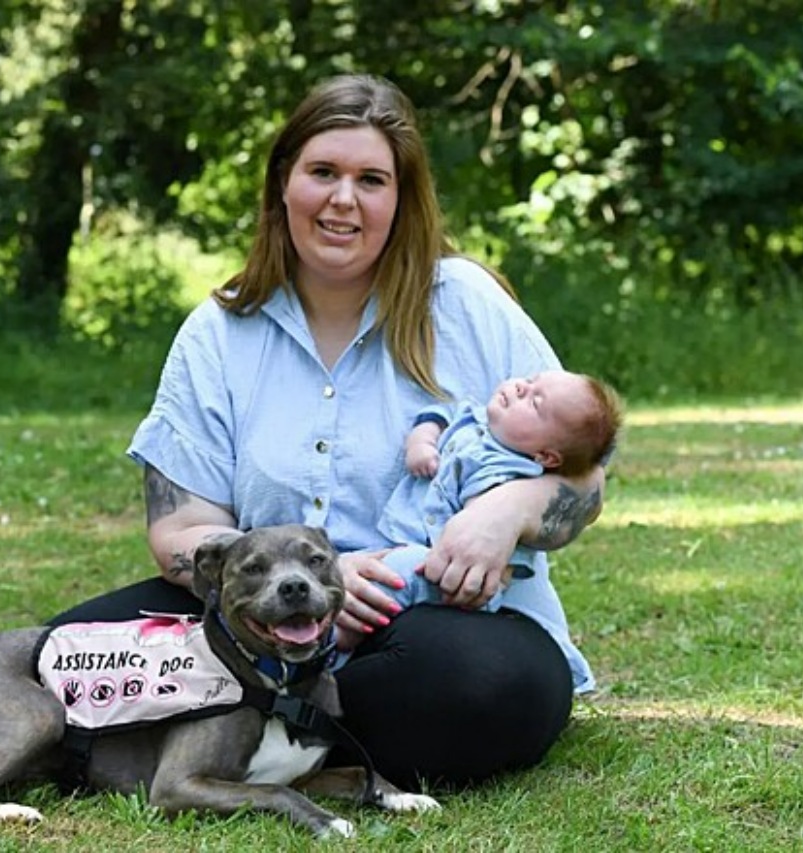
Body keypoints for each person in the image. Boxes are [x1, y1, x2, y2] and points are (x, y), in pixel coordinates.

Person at [50, 73, 607, 790]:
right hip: (260, 625)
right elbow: (181, 529)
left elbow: (585, 477)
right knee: (68, 653)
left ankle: (252, 738)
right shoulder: (218, 331)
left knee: (481, 686)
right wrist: (306, 592)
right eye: (323, 172)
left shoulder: (467, 303)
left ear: (401, 198)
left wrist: (508, 510)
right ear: (284, 183)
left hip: (434, 625)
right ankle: (290, 735)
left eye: (371, 179)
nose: (344, 199)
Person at [368, 370, 623, 619]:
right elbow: (436, 416)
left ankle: (340, 644)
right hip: (395, 542)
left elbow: (481, 530)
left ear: (545, 456)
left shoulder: (507, 471)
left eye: (534, 402)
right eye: (530, 380)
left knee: (392, 575)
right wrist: (421, 443)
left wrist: (495, 513)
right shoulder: (473, 416)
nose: (521, 388)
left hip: (449, 575)